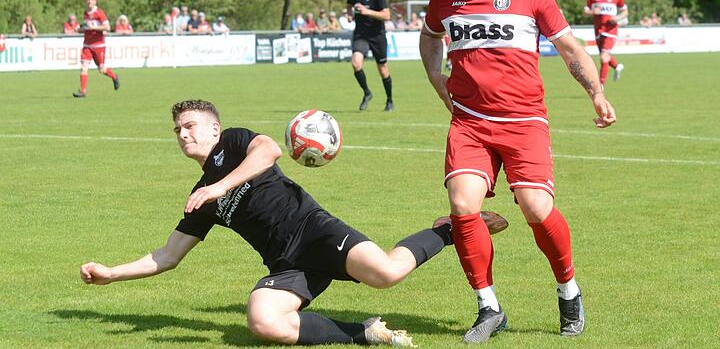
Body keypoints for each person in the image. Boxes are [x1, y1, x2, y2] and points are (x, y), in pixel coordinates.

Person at [79, 99, 500, 347]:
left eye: (190, 126)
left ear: (214, 128)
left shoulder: (235, 142)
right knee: (263, 321)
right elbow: (168, 255)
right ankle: (365, 333)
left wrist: (219, 186)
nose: (183, 135)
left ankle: (447, 229)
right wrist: (111, 274)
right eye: (177, 130)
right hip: (287, 264)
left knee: (387, 273)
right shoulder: (201, 197)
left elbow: (269, 152)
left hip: (317, 231)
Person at [419, 0, 616, 342]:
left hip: (524, 122)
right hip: (470, 123)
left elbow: (569, 48)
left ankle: (569, 291)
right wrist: (437, 79)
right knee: (462, 203)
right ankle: (488, 307)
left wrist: (596, 93)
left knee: (535, 208)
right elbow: (430, 36)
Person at [346, 0, 393, 112]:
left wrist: (367, 12)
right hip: (361, 35)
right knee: (356, 63)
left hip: (377, 35)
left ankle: (389, 100)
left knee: (383, 70)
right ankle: (367, 92)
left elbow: (386, 15)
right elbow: (349, 5)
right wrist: (349, 14)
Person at [583, 0, 628, 87]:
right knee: (605, 57)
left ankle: (600, 85)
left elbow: (625, 11)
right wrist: (592, 11)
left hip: (611, 30)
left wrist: (617, 18)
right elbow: (585, 12)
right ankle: (617, 66)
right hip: (598, 30)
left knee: (603, 58)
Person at [73, 0, 119, 98]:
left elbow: (107, 27)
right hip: (87, 45)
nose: (90, 1)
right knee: (84, 67)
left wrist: (94, 28)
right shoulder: (85, 13)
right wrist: (79, 29)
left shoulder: (99, 13)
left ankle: (114, 76)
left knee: (101, 70)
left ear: (95, 1)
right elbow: (86, 27)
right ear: (86, 1)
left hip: (98, 45)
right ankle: (83, 91)